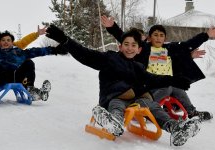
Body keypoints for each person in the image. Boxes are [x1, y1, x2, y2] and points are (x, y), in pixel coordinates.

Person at [45, 25, 201, 146]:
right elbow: (85, 54)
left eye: (133, 45)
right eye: (126, 44)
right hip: (114, 96)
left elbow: (154, 79)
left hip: (136, 98)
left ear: (139, 49)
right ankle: (115, 123)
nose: (129, 47)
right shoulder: (109, 58)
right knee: (116, 104)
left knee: (152, 106)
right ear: (120, 46)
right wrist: (65, 40)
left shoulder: (138, 67)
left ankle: (175, 128)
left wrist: (173, 80)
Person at [101, 15, 215, 121]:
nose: (158, 38)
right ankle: (148, 111)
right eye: (155, 35)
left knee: (176, 87)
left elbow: (187, 45)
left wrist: (206, 35)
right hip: (148, 87)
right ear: (149, 38)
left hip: (166, 84)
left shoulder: (169, 49)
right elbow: (127, 39)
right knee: (168, 86)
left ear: (165, 38)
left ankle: (192, 112)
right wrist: (112, 27)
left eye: (161, 35)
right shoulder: (144, 49)